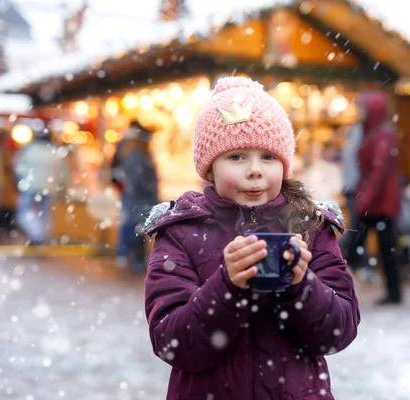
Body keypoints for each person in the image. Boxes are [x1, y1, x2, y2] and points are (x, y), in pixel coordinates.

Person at [142, 77, 360, 399]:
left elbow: (339, 331)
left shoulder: (310, 227)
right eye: (237, 157)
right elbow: (171, 341)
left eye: (268, 157)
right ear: (209, 167)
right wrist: (227, 286)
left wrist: (301, 286)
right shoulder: (181, 232)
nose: (255, 170)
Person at [350, 91, 403, 305]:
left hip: (380, 203)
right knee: (365, 246)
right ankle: (392, 292)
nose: (359, 112)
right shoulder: (372, 132)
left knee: (380, 248)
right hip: (375, 201)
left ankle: (393, 292)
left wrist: (364, 199)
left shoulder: (381, 135)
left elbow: (378, 172)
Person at [114, 121, 159, 272]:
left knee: (134, 226)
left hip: (136, 198)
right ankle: (134, 258)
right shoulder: (138, 156)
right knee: (136, 227)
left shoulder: (134, 153)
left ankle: (131, 257)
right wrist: (151, 193)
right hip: (139, 198)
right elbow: (140, 180)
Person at [13, 125, 68, 244]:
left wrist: (19, 181)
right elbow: (63, 172)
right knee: (45, 214)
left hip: (30, 187)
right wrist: (60, 185)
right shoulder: (55, 151)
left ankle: (36, 235)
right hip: (49, 188)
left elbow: (19, 168)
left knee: (25, 212)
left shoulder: (28, 150)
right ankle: (42, 236)